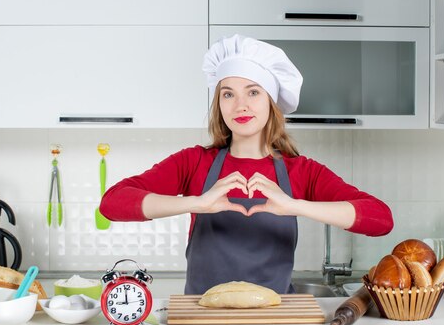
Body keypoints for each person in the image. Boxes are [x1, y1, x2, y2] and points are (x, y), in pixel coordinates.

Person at [99, 34, 393, 295]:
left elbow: (380, 219)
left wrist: (295, 205)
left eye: (253, 92)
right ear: (220, 104)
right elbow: (113, 203)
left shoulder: (301, 171)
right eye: (228, 94)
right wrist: (197, 203)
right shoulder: (192, 162)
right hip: (203, 321)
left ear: (271, 101)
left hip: (274, 323)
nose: (240, 105)